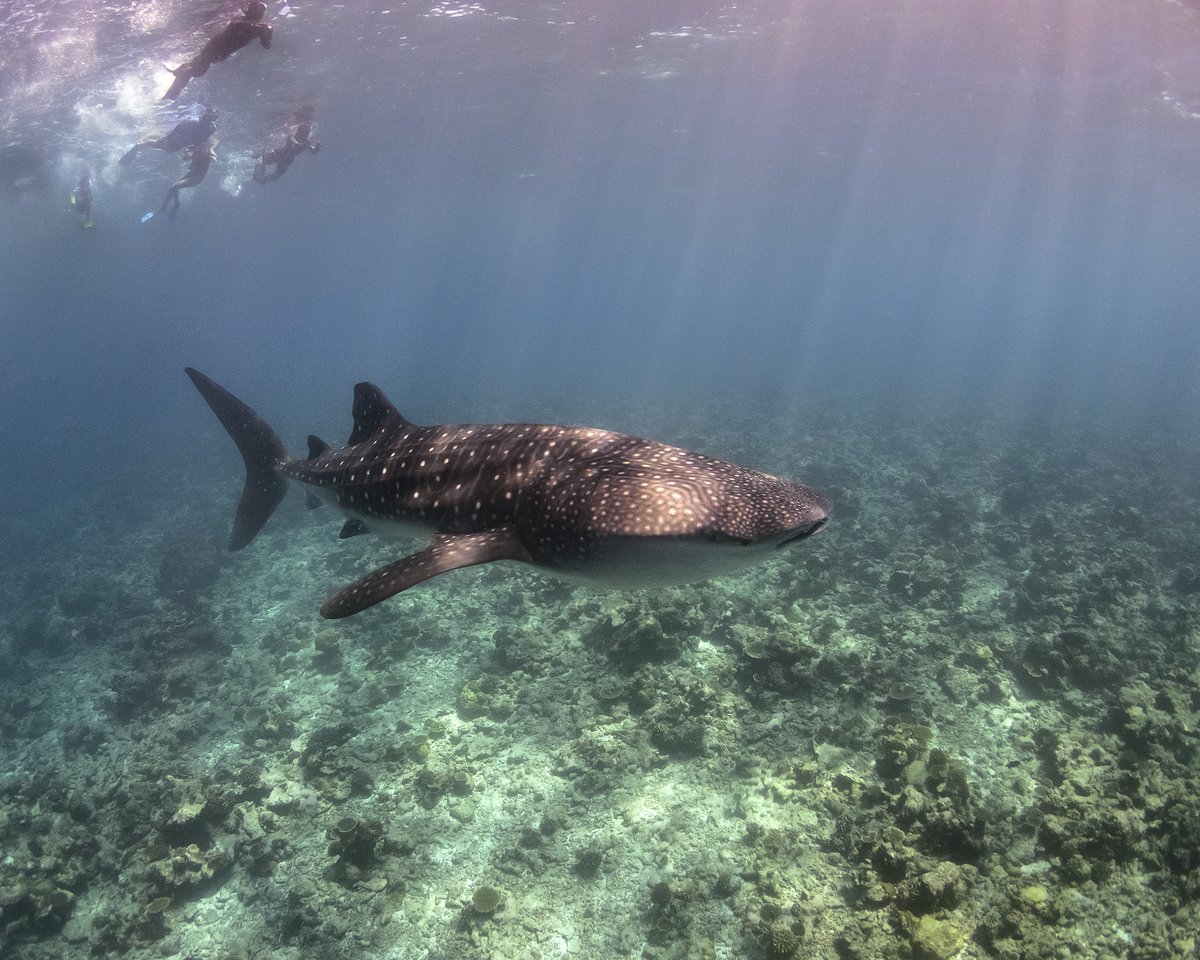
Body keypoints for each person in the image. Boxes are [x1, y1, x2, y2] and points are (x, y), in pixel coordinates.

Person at [162, 1, 273, 101]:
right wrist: (263, 28)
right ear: (248, 11)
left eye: (259, 10)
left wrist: (268, 33)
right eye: (253, 9)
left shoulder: (261, 28)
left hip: (218, 53)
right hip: (214, 48)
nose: (256, 12)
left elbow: (266, 45)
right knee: (195, 71)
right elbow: (235, 25)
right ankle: (169, 97)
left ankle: (177, 79)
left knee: (195, 71)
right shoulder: (241, 19)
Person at [142, 139, 217, 221]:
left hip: (198, 177)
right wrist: (186, 153)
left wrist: (213, 158)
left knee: (174, 187)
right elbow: (184, 159)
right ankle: (175, 204)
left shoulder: (208, 148)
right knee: (172, 187)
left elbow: (213, 155)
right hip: (191, 173)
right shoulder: (192, 147)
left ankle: (164, 208)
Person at [119, 108, 218, 165]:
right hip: (174, 139)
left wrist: (191, 148)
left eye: (213, 117)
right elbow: (176, 130)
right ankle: (137, 147)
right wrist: (167, 139)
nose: (210, 119)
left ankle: (142, 146)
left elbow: (203, 139)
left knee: (169, 151)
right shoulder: (193, 121)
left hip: (184, 143)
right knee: (159, 145)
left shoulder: (212, 128)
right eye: (209, 116)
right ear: (204, 115)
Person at [252, 123, 321, 183]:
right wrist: (300, 145)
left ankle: (264, 179)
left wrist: (317, 147)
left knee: (277, 175)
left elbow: (313, 152)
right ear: (299, 131)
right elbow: (291, 139)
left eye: (307, 131)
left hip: (287, 161)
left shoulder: (306, 143)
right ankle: (261, 154)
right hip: (279, 154)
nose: (306, 133)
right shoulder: (294, 136)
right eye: (305, 131)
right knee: (265, 161)